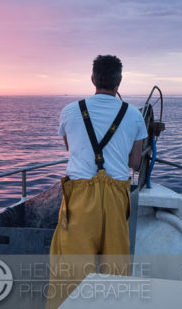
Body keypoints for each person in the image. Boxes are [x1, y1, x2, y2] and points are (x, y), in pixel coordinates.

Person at [48, 55, 147, 307]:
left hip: (80, 196)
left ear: (93, 78)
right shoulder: (133, 114)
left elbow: (72, 150)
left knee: (71, 270)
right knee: (115, 267)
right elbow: (134, 163)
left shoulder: (70, 111)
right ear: (119, 81)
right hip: (116, 195)